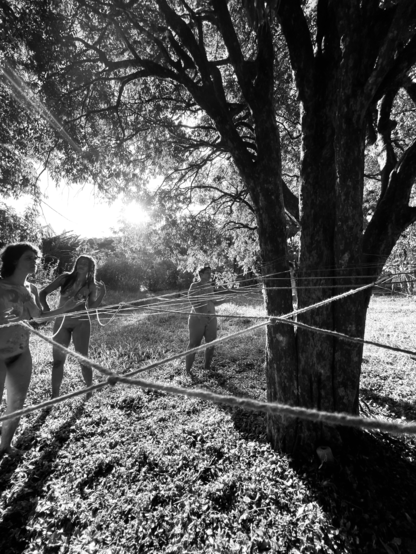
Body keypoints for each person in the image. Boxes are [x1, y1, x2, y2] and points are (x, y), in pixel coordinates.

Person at [0, 242, 76, 458]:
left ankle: (5, 446)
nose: (34, 262)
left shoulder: (30, 289)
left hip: (21, 352)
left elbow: (39, 318)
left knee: (17, 402)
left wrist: (65, 309)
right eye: (29, 258)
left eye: (36, 258)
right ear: (14, 260)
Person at [39, 255, 106, 398]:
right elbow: (43, 293)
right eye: (79, 262)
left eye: (85, 264)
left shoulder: (90, 285)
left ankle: (89, 391)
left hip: (81, 323)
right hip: (61, 322)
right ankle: (54, 396)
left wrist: (102, 294)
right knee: (58, 361)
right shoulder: (64, 278)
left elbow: (91, 307)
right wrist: (47, 309)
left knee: (83, 358)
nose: (81, 265)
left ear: (90, 268)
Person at [185, 266, 231, 373]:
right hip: (198, 319)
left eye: (211, 273)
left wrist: (224, 300)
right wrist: (201, 316)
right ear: (200, 274)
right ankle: (187, 371)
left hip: (211, 319)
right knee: (194, 344)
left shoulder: (210, 287)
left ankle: (207, 369)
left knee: (211, 344)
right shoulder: (194, 286)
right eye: (207, 273)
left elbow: (213, 302)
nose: (210, 275)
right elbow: (192, 301)